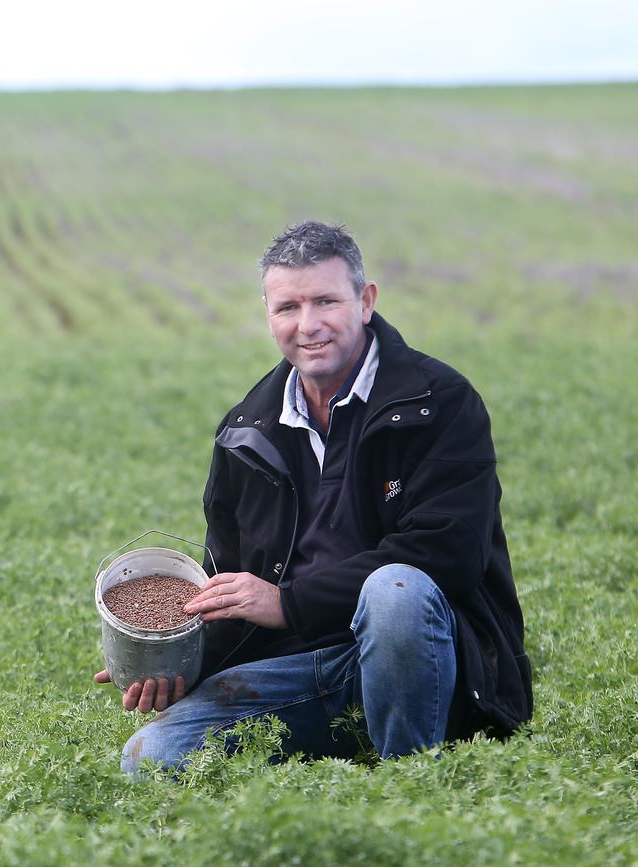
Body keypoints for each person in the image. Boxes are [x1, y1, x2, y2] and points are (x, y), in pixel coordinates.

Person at [95, 220, 532, 771]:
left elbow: (449, 556)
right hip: (301, 668)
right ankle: (346, 752)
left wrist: (288, 604)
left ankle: (412, 781)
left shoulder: (439, 403)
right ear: (268, 315)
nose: (308, 325)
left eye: (326, 300)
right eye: (287, 308)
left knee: (393, 592)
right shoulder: (244, 431)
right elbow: (231, 580)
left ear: (365, 301)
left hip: (430, 661)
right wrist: (170, 653)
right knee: (150, 758)